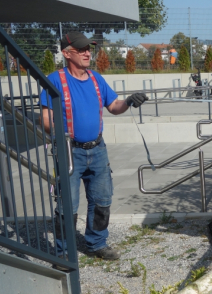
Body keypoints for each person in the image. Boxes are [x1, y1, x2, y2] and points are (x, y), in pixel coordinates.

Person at [40, 32, 149, 261]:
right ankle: (63, 252)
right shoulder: (54, 81)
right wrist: (62, 133)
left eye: (88, 48)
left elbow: (114, 106)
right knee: (67, 206)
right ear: (66, 53)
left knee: (102, 201)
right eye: (81, 49)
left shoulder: (96, 79)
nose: (87, 53)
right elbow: (47, 121)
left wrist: (129, 101)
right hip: (70, 151)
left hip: (98, 150)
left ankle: (96, 243)